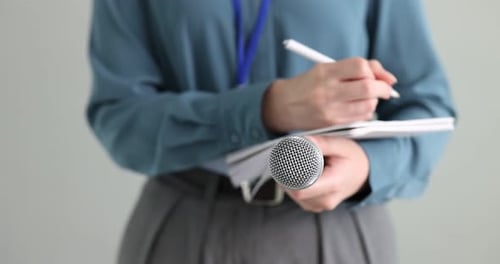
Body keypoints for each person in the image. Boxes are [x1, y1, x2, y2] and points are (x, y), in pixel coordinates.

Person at [86, 0, 455, 263]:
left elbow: (427, 105)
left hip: (334, 228)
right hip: (187, 223)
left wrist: (368, 166)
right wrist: (267, 108)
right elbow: (120, 119)